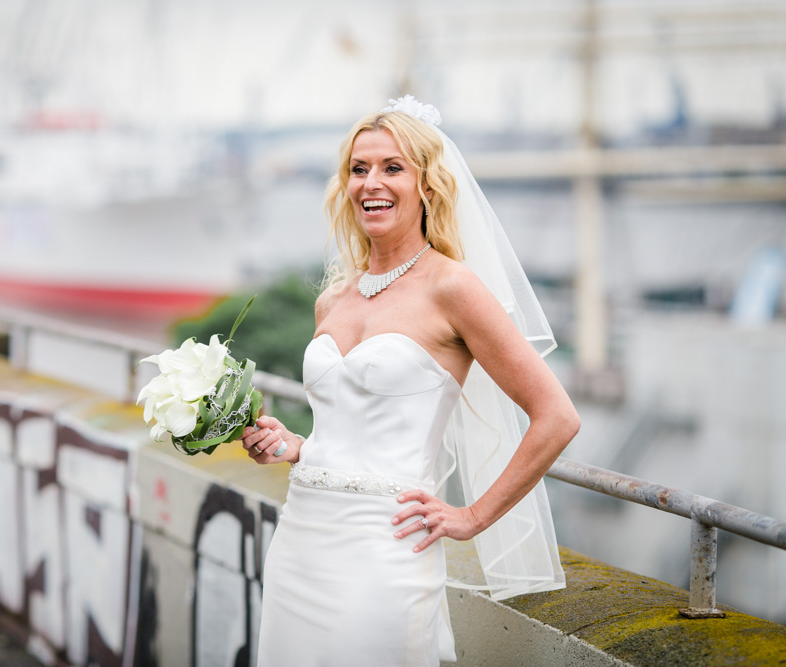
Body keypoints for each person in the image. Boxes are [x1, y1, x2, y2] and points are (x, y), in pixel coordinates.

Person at [241, 96, 580, 666]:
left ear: (428, 184)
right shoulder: (332, 300)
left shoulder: (453, 289)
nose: (372, 182)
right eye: (359, 168)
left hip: (387, 549)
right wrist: (295, 445)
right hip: (300, 539)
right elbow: (350, 423)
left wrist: (472, 517)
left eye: (392, 167)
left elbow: (558, 417)